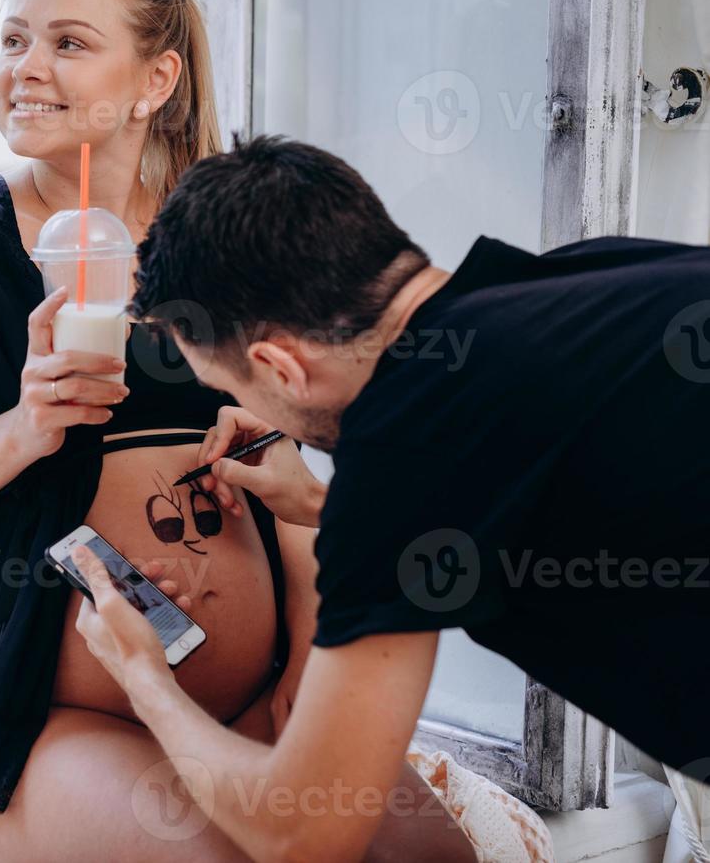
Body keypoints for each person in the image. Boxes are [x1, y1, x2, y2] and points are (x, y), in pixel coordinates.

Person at [0, 0, 474, 862]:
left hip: (255, 698)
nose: (26, 67)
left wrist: (302, 661)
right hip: (41, 715)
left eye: (68, 43)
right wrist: (26, 426)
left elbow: (285, 470)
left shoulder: (211, 244)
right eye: (13, 39)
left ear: (155, 83)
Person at [73, 133, 710, 863]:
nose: (246, 411)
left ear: (278, 365)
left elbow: (304, 831)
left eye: (230, 388)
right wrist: (322, 505)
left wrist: (142, 677)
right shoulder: (582, 274)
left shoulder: (407, 457)